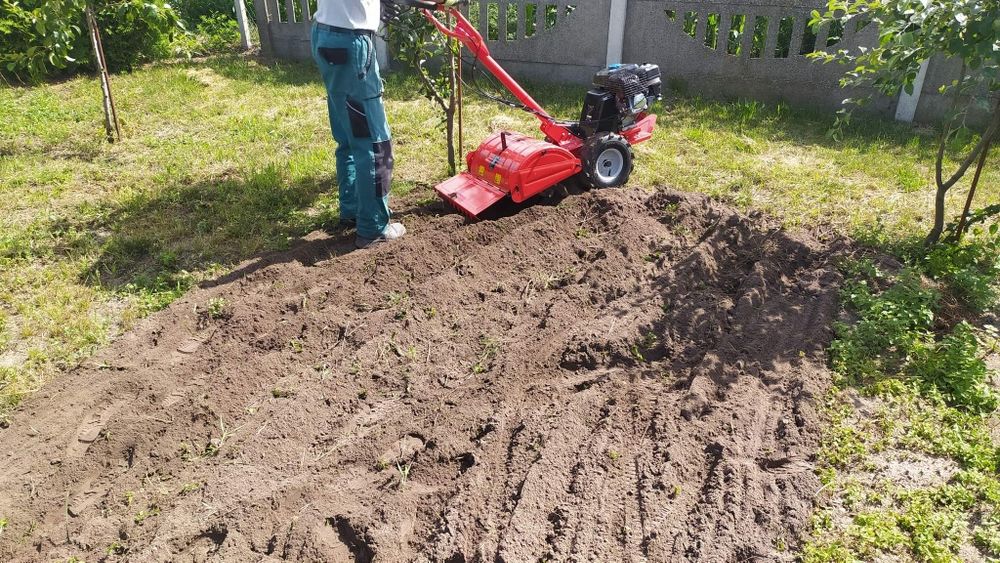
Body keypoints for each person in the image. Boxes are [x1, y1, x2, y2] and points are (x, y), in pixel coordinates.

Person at [311, 0, 404, 249]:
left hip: (325, 34)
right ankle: (373, 228)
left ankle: (352, 209)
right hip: (350, 43)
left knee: (348, 135)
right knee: (375, 144)